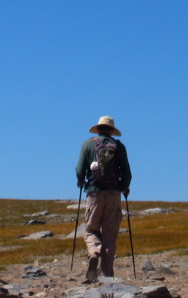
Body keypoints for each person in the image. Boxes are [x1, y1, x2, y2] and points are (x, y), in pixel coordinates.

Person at [75, 115, 132, 281]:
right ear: (112, 130)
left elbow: (79, 169)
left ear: (98, 128)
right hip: (114, 195)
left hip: (94, 193)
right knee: (110, 234)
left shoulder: (87, 144)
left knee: (92, 229)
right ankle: (107, 275)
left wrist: (81, 181)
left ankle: (94, 253)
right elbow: (127, 174)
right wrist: (122, 188)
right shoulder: (119, 146)